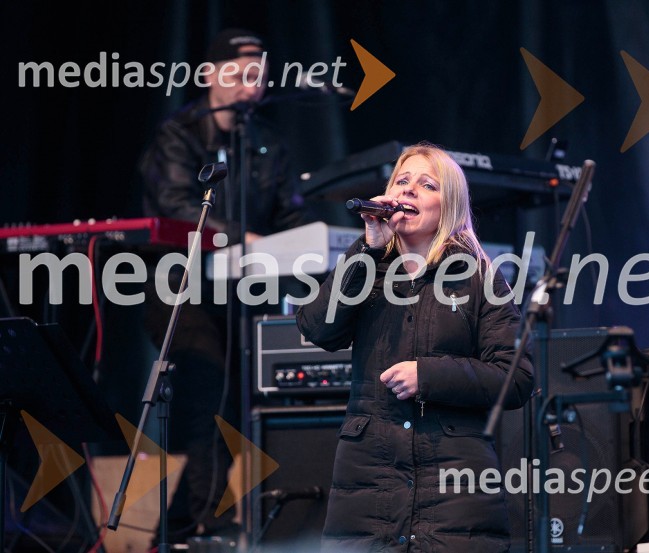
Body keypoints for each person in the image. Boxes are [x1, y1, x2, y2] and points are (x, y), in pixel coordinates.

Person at [296, 142, 534, 552]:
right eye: (402, 181)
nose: (408, 191)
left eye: (426, 185)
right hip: (369, 486)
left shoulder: (479, 277)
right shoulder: (367, 268)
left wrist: (430, 374)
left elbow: (517, 376)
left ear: (450, 206)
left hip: (455, 487)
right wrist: (366, 249)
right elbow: (317, 328)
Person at [139, 28, 304, 542]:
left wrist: (305, 239)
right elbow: (177, 206)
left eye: (258, 73)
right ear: (209, 74)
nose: (249, 83)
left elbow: (288, 214)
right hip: (181, 289)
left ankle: (200, 523)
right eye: (237, 72)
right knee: (204, 399)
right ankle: (198, 525)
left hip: (242, 292)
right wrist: (242, 236)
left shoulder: (267, 142)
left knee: (245, 406)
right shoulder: (180, 133)